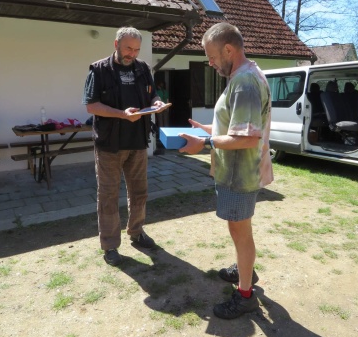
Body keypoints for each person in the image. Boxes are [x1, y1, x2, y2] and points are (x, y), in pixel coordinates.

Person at [179, 23, 273, 319]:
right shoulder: (242, 76)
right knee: (239, 229)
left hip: (239, 175)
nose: (210, 62)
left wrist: (205, 142)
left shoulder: (244, 82)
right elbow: (237, 125)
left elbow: (247, 137)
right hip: (236, 171)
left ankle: (245, 294)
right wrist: (209, 128)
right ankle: (245, 271)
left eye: (211, 56)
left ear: (229, 49)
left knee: (240, 231)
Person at [83, 27, 169, 266]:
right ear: (116, 44)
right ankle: (110, 246)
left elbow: (152, 95)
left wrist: (157, 102)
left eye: (136, 49)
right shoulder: (98, 69)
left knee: (139, 193)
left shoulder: (142, 69)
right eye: (128, 48)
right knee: (109, 196)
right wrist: (122, 114)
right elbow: (91, 106)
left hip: (138, 142)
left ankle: (137, 232)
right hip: (110, 145)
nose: (132, 54)